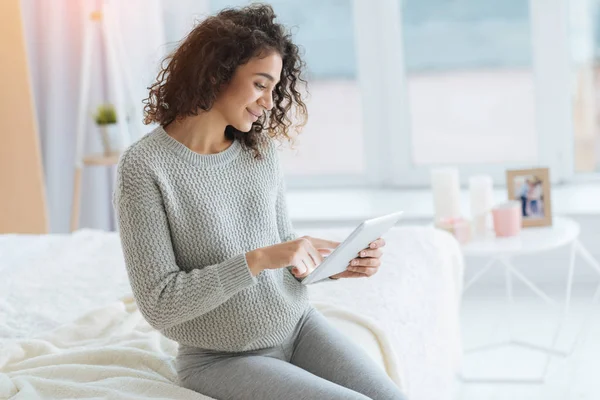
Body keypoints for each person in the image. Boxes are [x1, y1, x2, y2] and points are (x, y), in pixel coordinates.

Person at [112, 4, 406, 400]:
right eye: (259, 84)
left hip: (300, 326)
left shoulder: (259, 151)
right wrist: (258, 259)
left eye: (274, 88)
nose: (269, 102)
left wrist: (333, 267)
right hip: (220, 359)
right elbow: (160, 303)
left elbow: (280, 249)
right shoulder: (145, 167)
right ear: (216, 74)